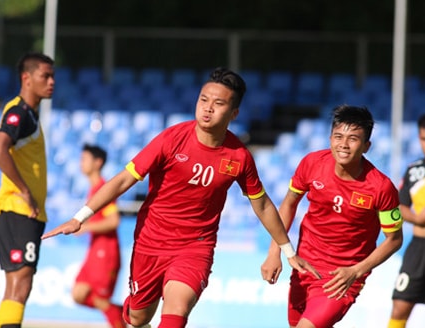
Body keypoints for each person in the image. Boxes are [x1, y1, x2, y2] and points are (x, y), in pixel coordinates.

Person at [42, 67, 320, 328]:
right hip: (151, 241)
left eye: (218, 103)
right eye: (204, 99)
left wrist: (287, 250)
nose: (208, 107)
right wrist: (80, 217)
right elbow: (124, 179)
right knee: (138, 318)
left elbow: (261, 204)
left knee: (176, 314)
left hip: (195, 247)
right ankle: (132, 309)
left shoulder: (239, 157)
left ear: (234, 112)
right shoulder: (171, 139)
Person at [261, 105, 403, 328]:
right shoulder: (312, 163)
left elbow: (394, 240)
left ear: (367, 146)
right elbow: (289, 204)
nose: (343, 145)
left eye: (353, 139)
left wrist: (355, 272)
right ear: (330, 138)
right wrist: (274, 252)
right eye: (338, 136)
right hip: (304, 267)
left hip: (341, 278)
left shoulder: (381, 188)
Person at [0, 52, 54, 328]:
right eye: (45, 76)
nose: (51, 82)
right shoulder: (19, 112)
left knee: (17, 282)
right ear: (26, 78)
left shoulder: (29, 114)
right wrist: (25, 192)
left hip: (22, 212)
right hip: (18, 209)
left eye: (53, 76)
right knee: (21, 280)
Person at [72, 144, 125, 328]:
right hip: (95, 251)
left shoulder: (104, 189)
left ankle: (119, 316)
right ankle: (120, 313)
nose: (81, 163)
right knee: (78, 294)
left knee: (101, 301)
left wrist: (86, 227)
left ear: (98, 162)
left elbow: (114, 221)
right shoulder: (93, 189)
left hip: (106, 253)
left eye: (84, 159)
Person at [387, 113, 425, 328]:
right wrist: (417, 218)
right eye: (424, 139)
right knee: (400, 306)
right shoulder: (414, 171)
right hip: (418, 249)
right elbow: (400, 206)